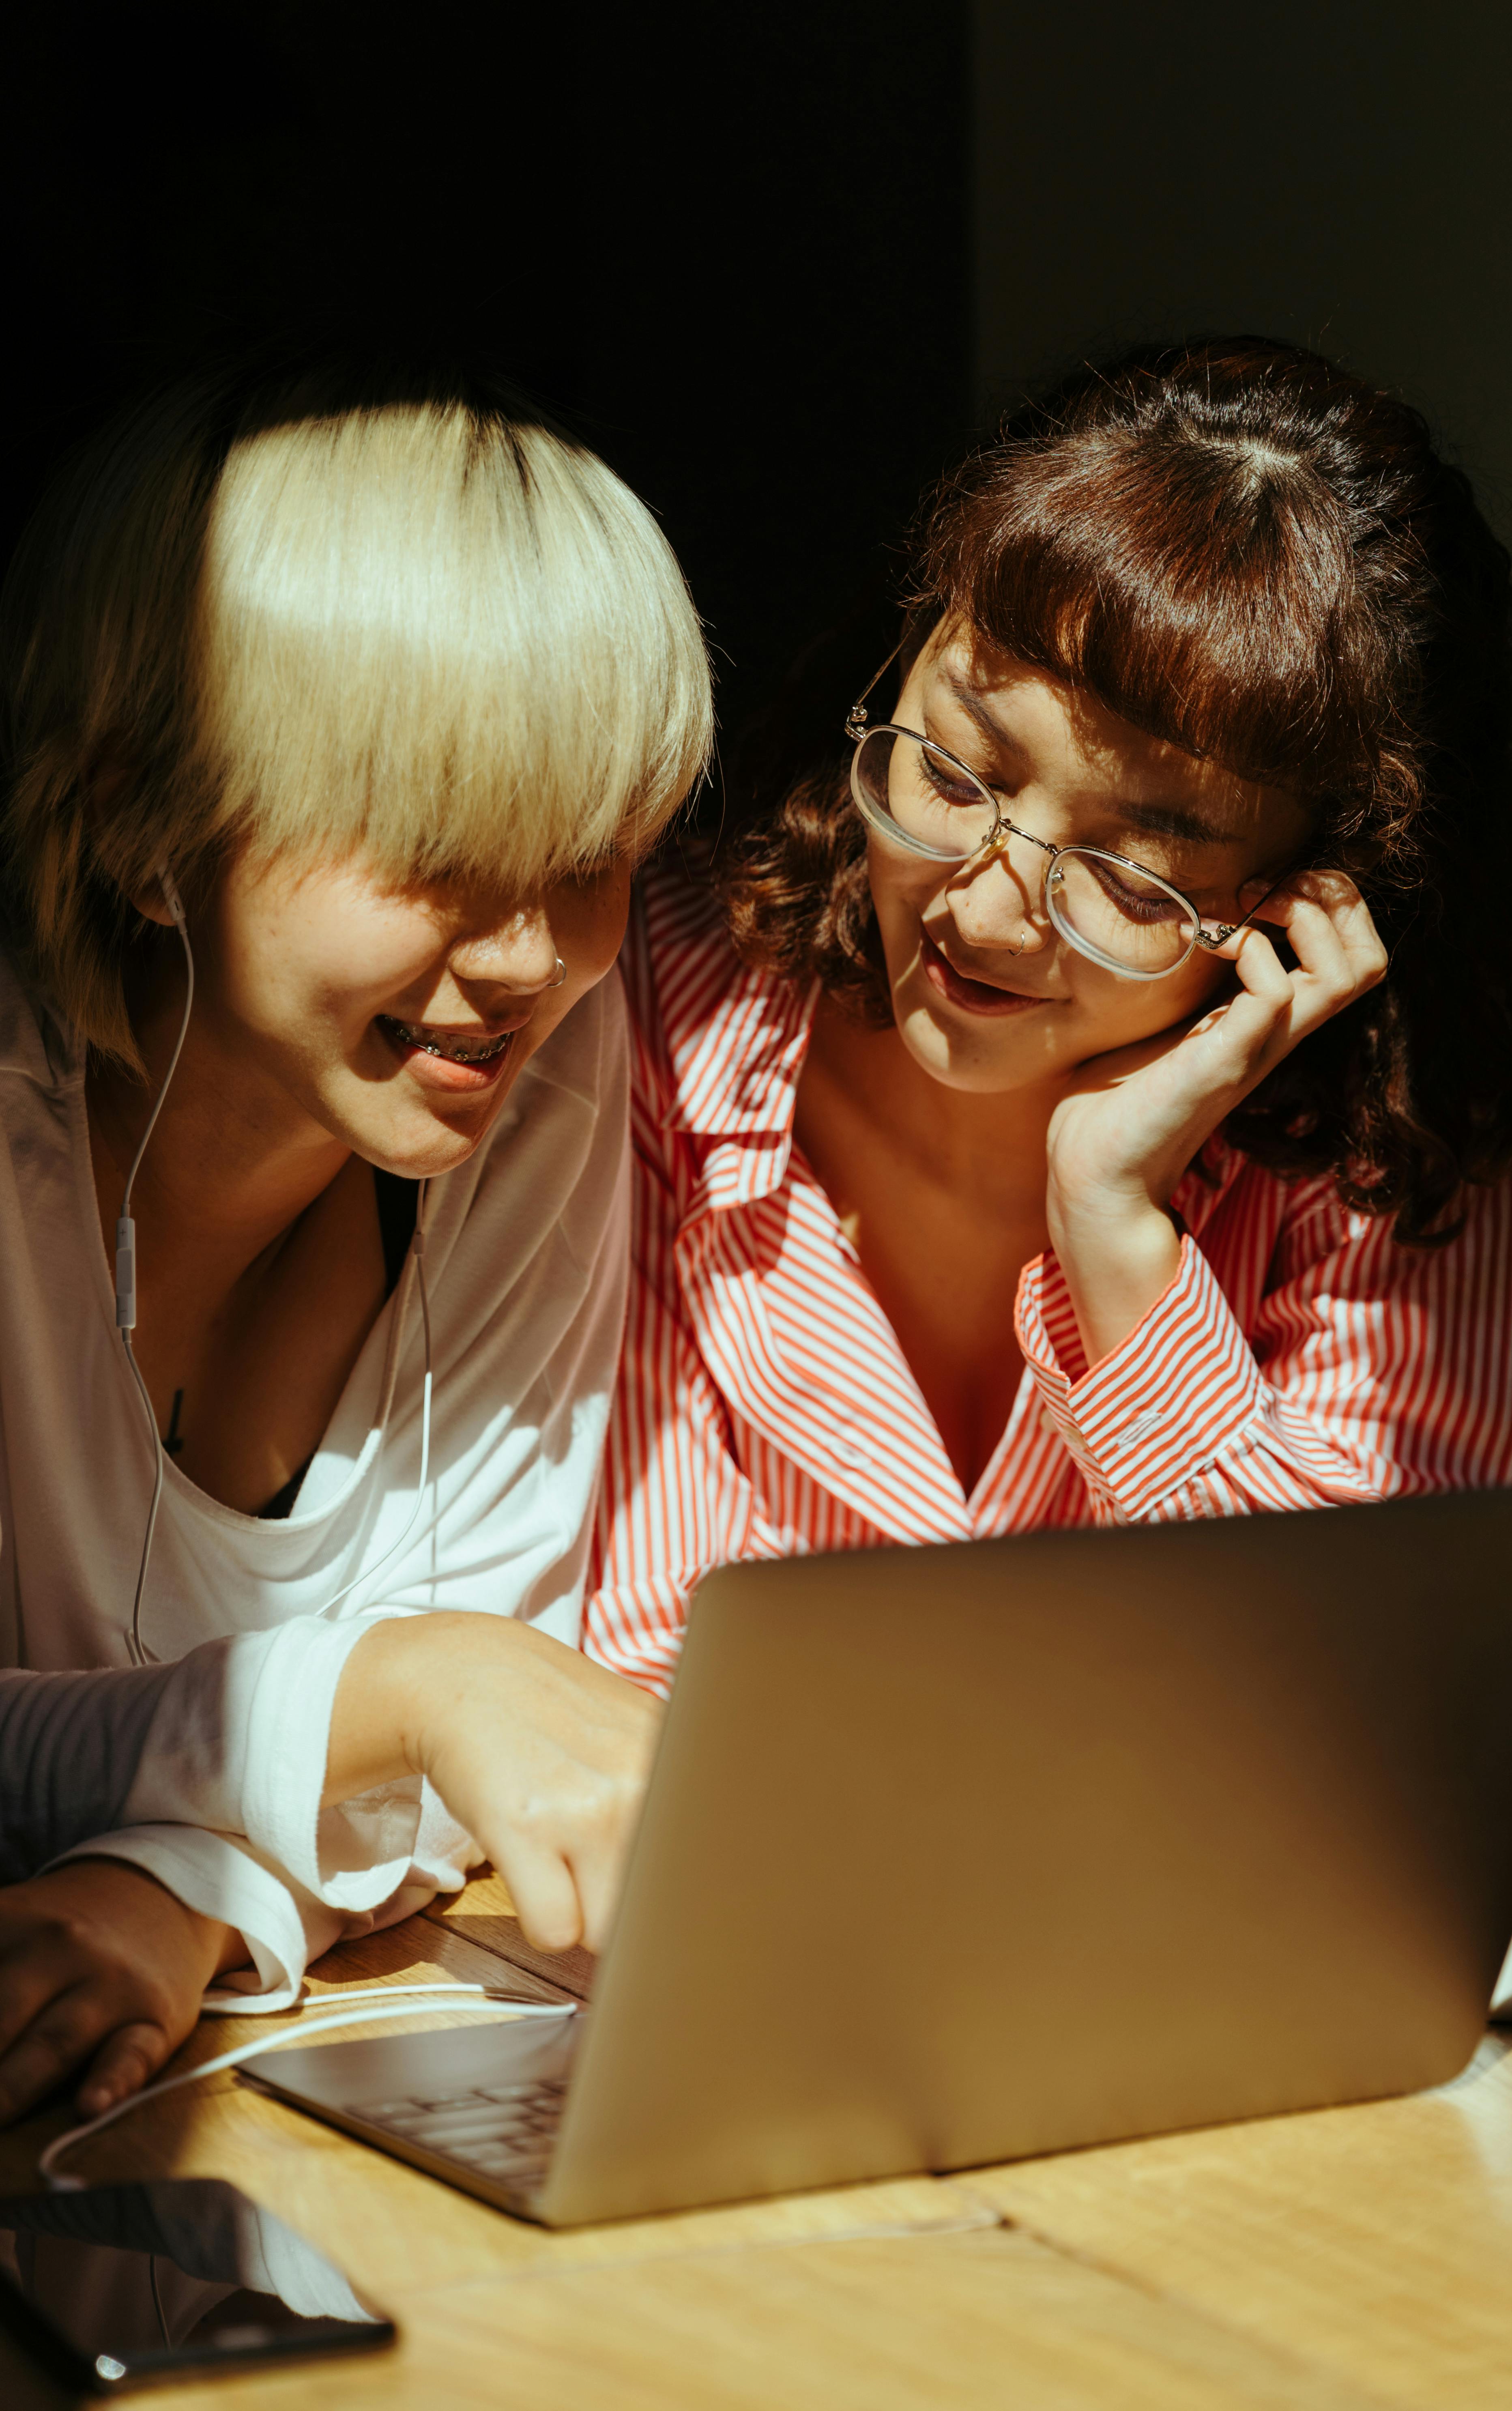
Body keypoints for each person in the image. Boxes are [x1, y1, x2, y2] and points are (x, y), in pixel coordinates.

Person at [586, 337, 1512, 1693]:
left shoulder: (1401, 1134)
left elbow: (1361, 1732)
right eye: (959, 766)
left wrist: (1117, 1240)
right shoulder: (651, 1000)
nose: (984, 917)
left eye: (1129, 873)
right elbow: (606, 1662)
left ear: (1314, 901)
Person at [0, 357, 709, 2123]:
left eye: (591, 856)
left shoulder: (531, 1082)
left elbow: (487, 1773)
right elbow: (450, 1711)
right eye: (440, 860)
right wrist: (412, 1681)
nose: (535, 960)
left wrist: (193, 1887)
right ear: (148, 828)